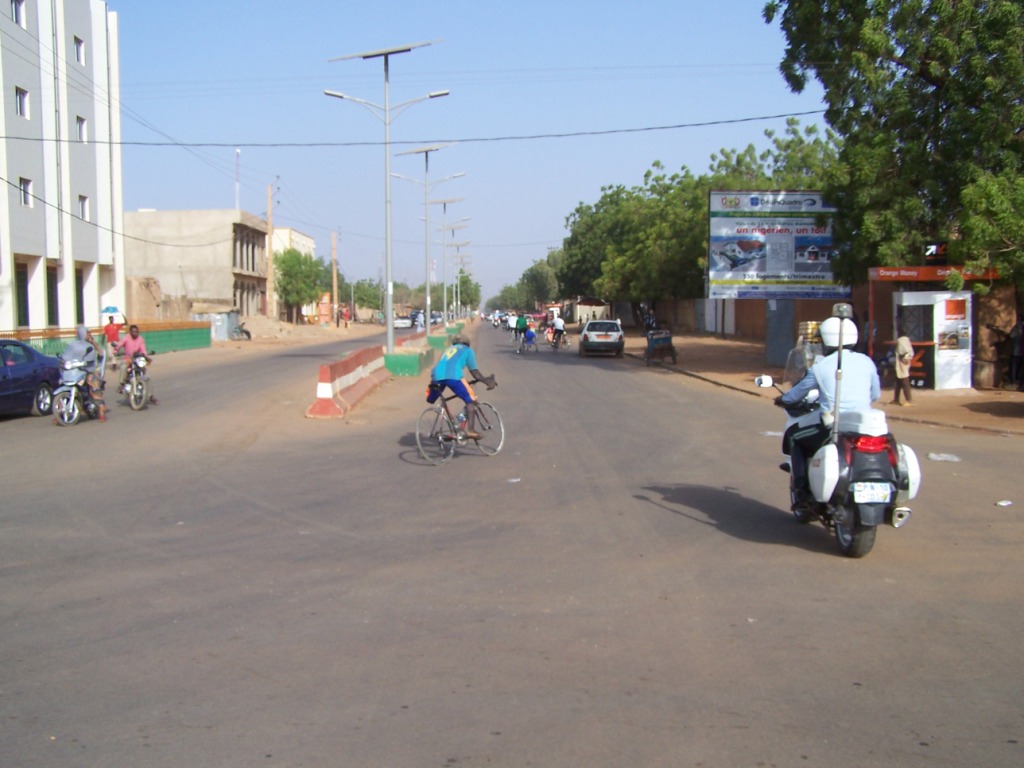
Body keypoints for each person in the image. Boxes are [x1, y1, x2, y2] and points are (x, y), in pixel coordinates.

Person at [777, 316, 881, 506]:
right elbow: (875, 394)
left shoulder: (820, 367)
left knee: (795, 437)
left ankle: (800, 493)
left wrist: (782, 399)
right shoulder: (867, 362)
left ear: (827, 341)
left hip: (834, 428)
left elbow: (795, 395)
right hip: (864, 426)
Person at [426, 335, 496, 439]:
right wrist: (487, 382)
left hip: (436, 375)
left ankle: (451, 426)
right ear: (467, 343)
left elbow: (446, 365)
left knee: (431, 399)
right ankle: (471, 430)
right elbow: (475, 372)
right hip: (453, 376)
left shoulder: (447, 350)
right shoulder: (468, 350)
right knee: (470, 400)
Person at [59, 325, 108, 423]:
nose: (89, 334)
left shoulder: (91, 346)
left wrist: (94, 343)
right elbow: (66, 355)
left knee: (93, 382)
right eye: (87, 332)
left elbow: (101, 356)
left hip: (90, 370)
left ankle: (101, 410)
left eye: (89, 333)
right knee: (63, 383)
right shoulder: (73, 344)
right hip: (75, 370)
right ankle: (59, 413)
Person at [112, 324, 158, 405]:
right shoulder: (126, 337)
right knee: (123, 367)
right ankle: (122, 384)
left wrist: (146, 357)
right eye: (133, 332)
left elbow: (143, 350)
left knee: (146, 376)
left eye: (137, 332)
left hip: (137, 359)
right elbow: (119, 344)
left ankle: (151, 396)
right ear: (130, 332)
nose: (135, 333)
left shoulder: (140, 339)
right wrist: (116, 350)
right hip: (128, 359)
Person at [891, 328, 915, 406]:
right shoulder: (907, 340)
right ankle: (896, 399)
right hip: (903, 362)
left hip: (902, 362)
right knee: (898, 381)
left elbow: (903, 351)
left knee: (904, 381)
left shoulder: (901, 341)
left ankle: (909, 400)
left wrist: (903, 357)